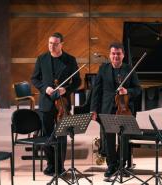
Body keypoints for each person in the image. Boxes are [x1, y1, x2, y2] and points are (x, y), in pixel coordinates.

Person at [31, 32, 81, 176]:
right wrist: (44, 88)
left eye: (55, 43)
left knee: (62, 135)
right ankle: (50, 164)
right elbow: (34, 78)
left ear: (62, 44)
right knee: (47, 134)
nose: (52, 46)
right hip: (46, 103)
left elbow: (77, 81)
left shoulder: (70, 60)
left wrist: (66, 89)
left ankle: (60, 166)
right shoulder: (41, 59)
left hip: (63, 103)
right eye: (50, 43)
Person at [90, 43, 141, 178]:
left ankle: (121, 165)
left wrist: (127, 91)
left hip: (125, 109)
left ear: (123, 55)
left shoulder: (129, 69)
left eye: (118, 54)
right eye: (113, 53)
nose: (115, 56)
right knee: (109, 139)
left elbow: (138, 89)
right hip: (107, 108)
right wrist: (93, 110)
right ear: (110, 55)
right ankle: (111, 165)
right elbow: (96, 91)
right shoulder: (103, 69)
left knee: (124, 138)